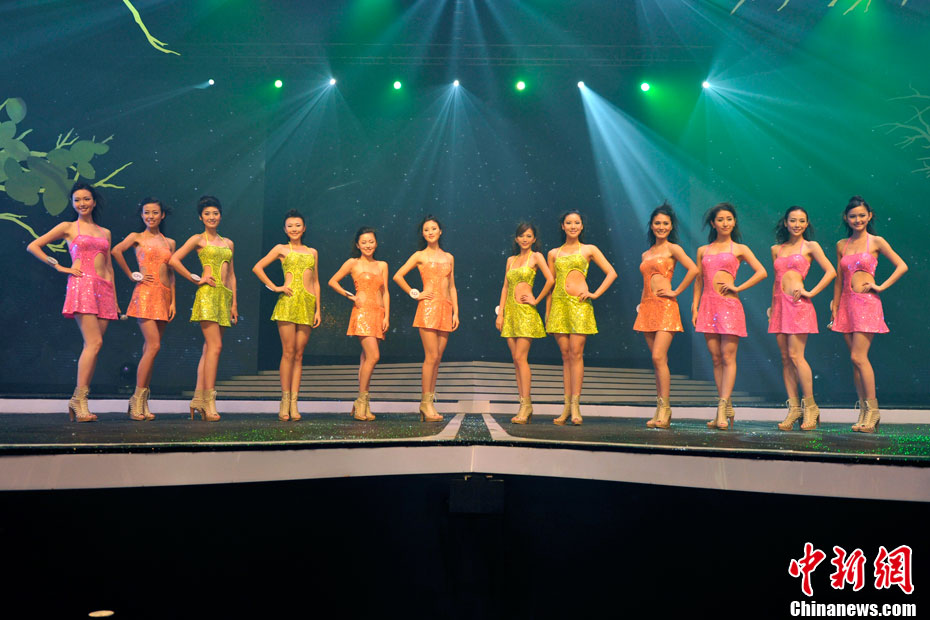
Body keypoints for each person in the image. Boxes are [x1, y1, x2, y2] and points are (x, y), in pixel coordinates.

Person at [27, 182, 119, 422]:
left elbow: (109, 267)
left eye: (86, 199)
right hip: (83, 285)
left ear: (94, 202)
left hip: (104, 290)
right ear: (72, 203)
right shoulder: (68, 227)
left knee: (94, 346)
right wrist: (59, 266)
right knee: (94, 343)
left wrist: (115, 299)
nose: (82, 203)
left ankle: (78, 399)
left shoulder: (105, 232)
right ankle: (79, 400)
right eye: (77, 200)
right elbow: (34, 246)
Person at [831, 196, 907, 433]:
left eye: (862, 215)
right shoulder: (841, 245)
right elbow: (839, 278)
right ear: (846, 218)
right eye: (853, 216)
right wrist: (835, 305)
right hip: (846, 305)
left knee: (858, 357)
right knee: (854, 362)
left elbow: (902, 265)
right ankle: (863, 410)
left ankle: (873, 410)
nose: (858, 220)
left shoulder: (876, 241)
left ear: (869, 216)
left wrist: (880, 286)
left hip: (866, 304)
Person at [692, 203, 767, 430]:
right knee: (716, 358)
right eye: (720, 219)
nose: (725, 223)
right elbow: (699, 280)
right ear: (713, 223)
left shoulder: (740, 249)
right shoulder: (703, 250)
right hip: (708, 306)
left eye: (729, 219)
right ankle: (726, 407)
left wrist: (738, 287)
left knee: (727, 357)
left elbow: (762, 272)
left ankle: (722, 409)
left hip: (729, 306)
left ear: (734, 222)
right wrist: (694, 307)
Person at [168, 196, 237, 421]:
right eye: (207, 214)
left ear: (220, 215)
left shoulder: (228, 243)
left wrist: (234, 303)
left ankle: (198, 399)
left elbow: (232, 275)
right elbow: (174, 260)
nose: (212, 217)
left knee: (209, 349)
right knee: (215, 347)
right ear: (201, 217)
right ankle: (209, 401)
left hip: (224, 297)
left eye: (215, 213)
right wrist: (196, 279)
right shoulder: (198, 239)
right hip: (207, 295)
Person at [545, 210, 617, 425]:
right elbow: (550, 285)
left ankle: (576, 406)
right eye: (569, 223)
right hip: (559, 306)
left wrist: (595, 293)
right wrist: (547, 314)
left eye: (577, 222)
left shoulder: (589, 249)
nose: (573, 226)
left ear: (582, 226)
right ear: (563, 226)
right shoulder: (553, 253)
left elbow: (611, 273)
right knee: (565, 355)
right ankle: (566, 407)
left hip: (579, 306)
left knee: (576, 354)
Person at [767, 206, 835, 431]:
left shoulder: (810, 246)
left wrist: (811, 292)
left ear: (807, 224)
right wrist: (772, 306)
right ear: (785, 223)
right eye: (793, 220)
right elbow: (776, 280)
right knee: (785, 358)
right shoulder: (776, 249)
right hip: (779, 307)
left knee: (797, 356)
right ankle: (794, 408)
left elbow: (831, 271)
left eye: (801, 221)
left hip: (798, 305)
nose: (797, 224)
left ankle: (811, 407)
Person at [633, 203, 698, 429]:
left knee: (658, 357)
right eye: (657, 223)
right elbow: (645, 282)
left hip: (666, 307)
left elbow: (694, 269)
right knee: (657, 361)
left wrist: (676, 291)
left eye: (665, 224)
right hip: (647, 307)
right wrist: (641, 305)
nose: (661, 227)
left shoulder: (673, 249)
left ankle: (666, 408)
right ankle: (660, 408)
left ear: (671, 227)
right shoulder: (646, 253)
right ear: (651, 225)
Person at [111, 197, 177, 421]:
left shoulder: (170, 242)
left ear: (162, 215)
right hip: (146, 294)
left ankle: (143, 401)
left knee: (150, 349)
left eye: (155, 212)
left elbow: (171, 273)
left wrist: (173, 301)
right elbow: (116, 251)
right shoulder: (136, 237)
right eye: (146, 212)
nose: (151, 216)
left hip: (164, 296)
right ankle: (136, 399)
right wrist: (132, 274)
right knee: (154, 345)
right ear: (141, 215)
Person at [252, 209, 321, 421]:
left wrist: (318, 309)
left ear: (304, 228)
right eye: (290, 226)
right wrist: (276, 287)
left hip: (307, 304)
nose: (294, 229)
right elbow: (258, 268)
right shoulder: (281, 249)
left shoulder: (312, 252)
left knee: (299, 355)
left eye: (298, 225)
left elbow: (316, 281)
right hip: (288, 303)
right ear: (285, 229)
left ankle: (294, 403)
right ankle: (284, 401)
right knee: (288, 352)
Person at [393, 216, 459, 422]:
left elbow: (452, 286)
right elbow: (398, 276)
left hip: (446, 308)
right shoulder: (419, 256)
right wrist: (416, 294)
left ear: (440, 231)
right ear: (423, 234)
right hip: (428, 308)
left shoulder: (449, 257)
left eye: (433, 228)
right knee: (431, 357)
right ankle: (425, 403)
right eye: (426, 230)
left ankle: (429, 402)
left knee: (437, 359)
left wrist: (456, 312)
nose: (430, 232)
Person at [495, 223, 554, 424]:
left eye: (529, 236)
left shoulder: (536, 257)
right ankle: (523, 404)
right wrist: (501, 314)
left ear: (534, 239)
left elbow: (550, 280)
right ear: (516, 238)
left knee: (521, 358)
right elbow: (505, 287)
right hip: (510, 313)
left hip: (526, 312)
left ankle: (526, 405)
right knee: (516, 360)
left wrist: (536, 300)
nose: (525, 239)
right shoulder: (510, 260)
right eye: (522, 236)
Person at [328, 227, 390, 421]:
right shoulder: (353, 263)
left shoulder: (382, 265)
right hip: (362, 313)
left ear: (376, 243)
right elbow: (333, 281)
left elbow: (385, 292)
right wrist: (352, 297)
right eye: (364, 242)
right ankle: (361, 401)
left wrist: (387, 316)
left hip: (378, 314)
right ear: (357, 244)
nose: (368, 245)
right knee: (373, 356)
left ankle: (362, 404)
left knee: (365, 360)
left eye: (371, 241)